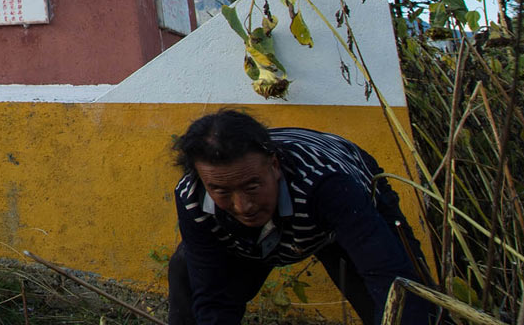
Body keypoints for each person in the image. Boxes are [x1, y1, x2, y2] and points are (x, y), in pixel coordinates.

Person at [168, 109, 435, 325]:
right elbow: (212, 296)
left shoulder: (327, 185)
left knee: (405, 296)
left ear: (274, 166)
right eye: (221, 191)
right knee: (187, 272)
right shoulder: (192, 197)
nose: (243, 205)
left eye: (252, 187)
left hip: (338, 210)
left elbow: (389, 277)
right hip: (254, 234)